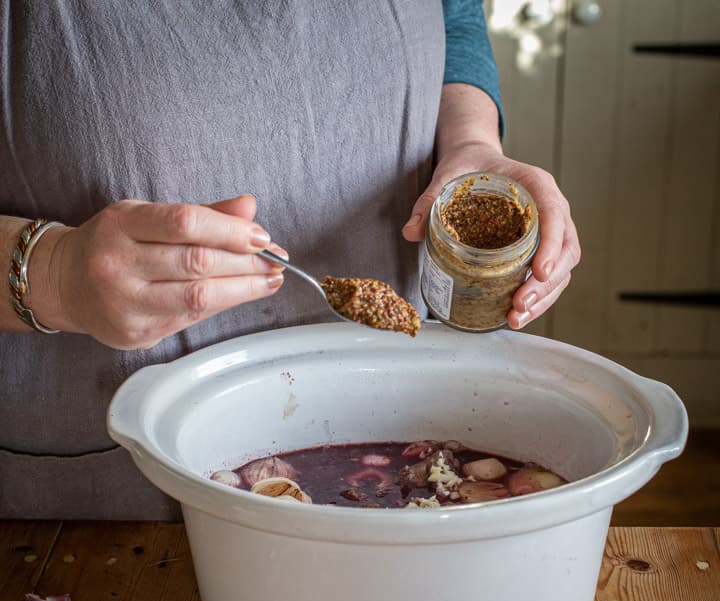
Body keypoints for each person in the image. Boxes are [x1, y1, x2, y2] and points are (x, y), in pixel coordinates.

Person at [0, 1, 579, 520]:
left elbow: (455, 16)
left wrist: (472, 143)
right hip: (105, 497)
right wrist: (53, 272)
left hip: (402, 436)